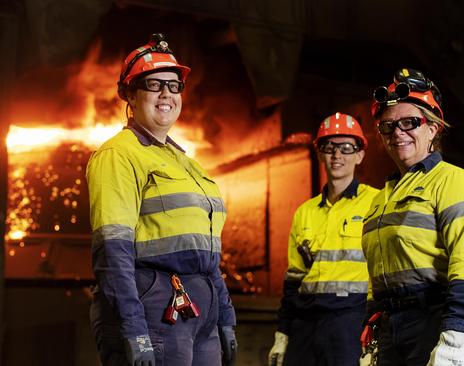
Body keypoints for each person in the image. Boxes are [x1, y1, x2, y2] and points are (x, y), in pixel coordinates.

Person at [86, 33, 237, 366]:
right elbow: (113, 251)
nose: (166, 94)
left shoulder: (187, 163)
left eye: (174, 86)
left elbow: (208, 256)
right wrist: (134, 329)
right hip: (155, 309)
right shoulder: (119, 154)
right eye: (154, 85)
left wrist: (224, 316)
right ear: (128, 93)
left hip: (198, 311)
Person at [360, 68, 464, 366]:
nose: (398, 132)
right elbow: (380, 268)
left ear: (433, 128)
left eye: (410, 122)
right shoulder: (382, 197)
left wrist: (454, 338)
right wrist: (372, 322)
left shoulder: (453, 182)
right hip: (394, 327)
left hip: (442, 318)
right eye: (388, 126)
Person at [268, 113, 379, 366]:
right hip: (306, 324)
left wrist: (377, 333)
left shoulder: (376, 203)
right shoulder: (304, 212)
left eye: (346, 148)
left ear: (360, 155)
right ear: (319, 154)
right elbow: (293, 281)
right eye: (329, 147)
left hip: (351, 323)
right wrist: (283, 334)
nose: (336, 155)